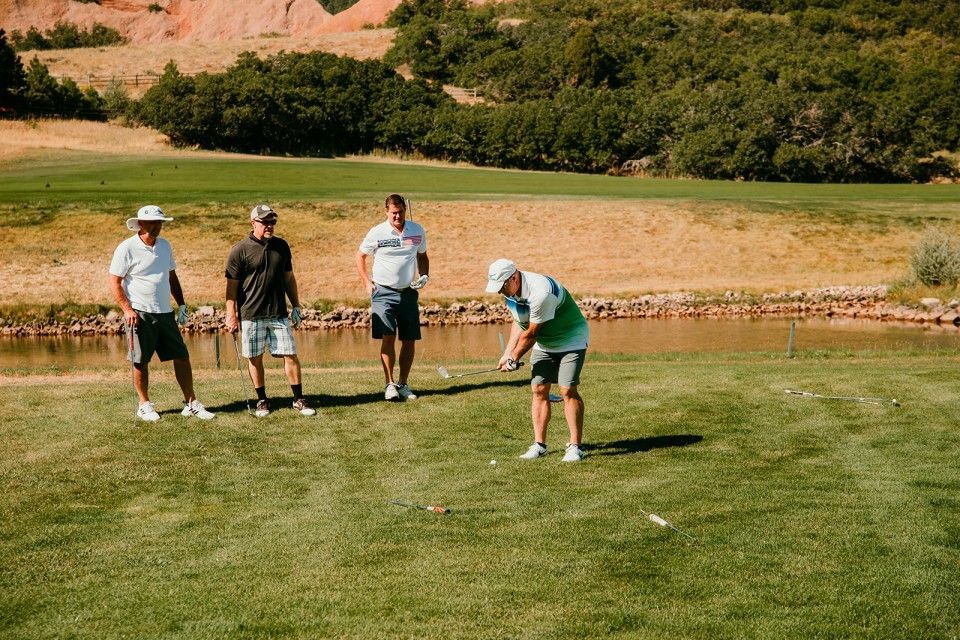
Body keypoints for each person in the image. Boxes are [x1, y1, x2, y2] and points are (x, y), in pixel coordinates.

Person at [109, 205, 215, 422]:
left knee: (182, 356)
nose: (158, 226)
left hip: (165, 312)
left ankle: (191, 402)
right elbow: (115, 282)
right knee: (140, 360)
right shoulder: (126, 248)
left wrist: (182, 305)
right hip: (139, 313)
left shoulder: (165, 246)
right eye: (154, 222)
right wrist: (127, 310)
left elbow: (171, 277)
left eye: (160, 222)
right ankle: (144, 405)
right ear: (141, 224)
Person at [486, 259, 589, 462]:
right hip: (545, 343)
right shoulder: (510, 292)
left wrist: (515, 358)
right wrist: (507, 353)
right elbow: (520, 322)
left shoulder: (540, 292)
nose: (500, 292)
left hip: (571, 339)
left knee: (567, 389)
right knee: (539, 389)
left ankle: (576, 446)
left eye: (502, 286)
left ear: (513, 278)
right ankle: (539, 445)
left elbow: (532, 333)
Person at [224, 204, 316, 418]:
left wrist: (296, 305)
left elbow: (288, 279)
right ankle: (262, 401)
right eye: (265, 222)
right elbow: (231, 287)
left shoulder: (282, 246)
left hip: (278, 313)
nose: (269, 226)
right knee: (254, 358)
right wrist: (231, 315)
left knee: (291, 355)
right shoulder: (240, 249)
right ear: (253, 223)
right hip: (250, 314)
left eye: (272, 222)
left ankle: (298, 399)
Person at [355, 194, 429, 401]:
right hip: (383, 292)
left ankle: (403, 383)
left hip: (407, 292)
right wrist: (366, 282)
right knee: (388, 336)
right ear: (386, 211)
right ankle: (389, 385)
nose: (397, 216)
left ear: (405, 209)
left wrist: (424, 276)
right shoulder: (377, 232)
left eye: (400, 212)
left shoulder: (416, 230)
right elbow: (360, 256)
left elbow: (422, 256)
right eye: (393, 213)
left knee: (409, 339)